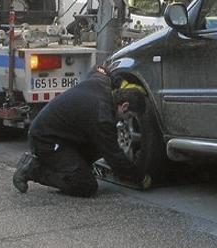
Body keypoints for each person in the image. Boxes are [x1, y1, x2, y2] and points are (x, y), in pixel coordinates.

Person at [12, 65, 147, 197]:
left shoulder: (102, 82)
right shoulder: (102, 117)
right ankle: (34, 170)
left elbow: (101, 68)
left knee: (99, 145)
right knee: (86, 185)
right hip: (45, 140)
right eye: (129, 116)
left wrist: (122, 82)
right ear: (124, 106)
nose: (126, 120)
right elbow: (114, 155)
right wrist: (139, 177)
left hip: (61, 135)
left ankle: (75, 168)